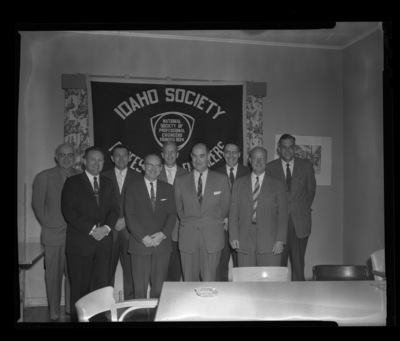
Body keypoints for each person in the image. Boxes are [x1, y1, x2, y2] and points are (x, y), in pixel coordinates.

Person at [61, 146, 119, 320]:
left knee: (101, 290)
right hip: (80, 246)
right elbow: (69, 212)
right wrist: (94, 229)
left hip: (103, 245)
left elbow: (115, 210)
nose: (97, 163)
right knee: (79, 291)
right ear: (84, 161)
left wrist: (106, 228)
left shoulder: (109, 183)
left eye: (100, 160)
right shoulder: (72, 182)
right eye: (93, 159)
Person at [32, 143, 80, 321]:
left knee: (73, 274)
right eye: (62, 155)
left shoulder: (80, 176)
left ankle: (69, 308)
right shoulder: (43, 177)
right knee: (53, 276)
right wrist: (50, 224)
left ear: (75, 157)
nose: (66, 159)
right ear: (56, 157)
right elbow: (37, 205)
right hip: (54, 235)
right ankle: (54, 311)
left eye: (70, 155)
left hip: (76, 236)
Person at [174, 143, 231, 281]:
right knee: (189, 283)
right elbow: (179, 210)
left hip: (212, 238)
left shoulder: (222, 180)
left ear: (209, 156)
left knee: (209, 282)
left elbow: (224, 209)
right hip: (188, 238)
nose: (197, 160)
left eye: (201, 156)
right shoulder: (180, 181)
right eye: (194, 156)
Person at [124, 153, 177, 299]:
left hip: (162, 245)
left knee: (159, 289)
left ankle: (156, 316)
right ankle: (140, 316)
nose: (153, 168)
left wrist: (163, 234)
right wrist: (142, 237)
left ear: (161, 168)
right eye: (150, 165)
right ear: (143, 166)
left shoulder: (168, 188)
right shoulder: (132, 188)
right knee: (139, 289)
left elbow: (172, 214)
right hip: (140, 245)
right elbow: (130, 216)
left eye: (157, 165)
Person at [265, 134, 316, 281]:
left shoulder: (306, 166)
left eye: (291, 147)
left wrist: (299, 209)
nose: (287, 150)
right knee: (278, 266)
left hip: (300, 223)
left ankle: (299, 298)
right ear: (279, 149)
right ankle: (278, 298)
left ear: (295, 148)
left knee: (299, 265)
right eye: (284, 147)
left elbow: (311, 193)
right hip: (277, 225)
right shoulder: (270, 168)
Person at [229, 146, 288, 267]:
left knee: (269, 282)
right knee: (246, 280)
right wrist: (233, 236)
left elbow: (283, 214)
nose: (259, 162)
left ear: (266, 160)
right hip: (244, 239)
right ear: (249, 160)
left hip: (270, 240)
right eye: (255, 158)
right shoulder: (239, 183)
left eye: (262, 158)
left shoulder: (278, 184)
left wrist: (280, 240)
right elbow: (233, 212)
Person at [102, 144, 141, 300]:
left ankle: (130, 307)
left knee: (131, 274)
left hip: (129, 232)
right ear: (112, 158)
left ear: (129, 157)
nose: (121, 158)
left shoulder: (139, 177)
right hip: (108, 233)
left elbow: (142, 204)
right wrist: (111, 222)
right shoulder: (103, 176)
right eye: (117, 155)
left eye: (124, 155)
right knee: (105, 273)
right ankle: (105, 306)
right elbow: (100, 206)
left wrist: (127, 219)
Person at [215, 139, 250, 281]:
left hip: (243, 228)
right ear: (223, 154)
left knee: (241, 267)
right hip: (221, 227)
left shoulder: (249, 172)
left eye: (234, 152)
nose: (231, 156)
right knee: (220, 266)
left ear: (239, 154)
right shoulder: (214, 173)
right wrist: (222, 217)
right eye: (228, 152)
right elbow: (211, 202)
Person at [158, 141, 188, 281]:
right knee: (159, 273)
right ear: (162, 154)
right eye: (167, 152)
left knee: (176, 271)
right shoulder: (154, 172)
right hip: (158, 229)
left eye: (173, 152)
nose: (170, 155)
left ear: (177, 153)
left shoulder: (187, 174)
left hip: (179, 230)